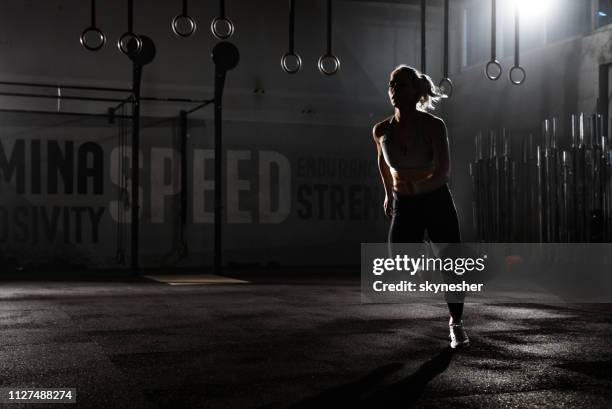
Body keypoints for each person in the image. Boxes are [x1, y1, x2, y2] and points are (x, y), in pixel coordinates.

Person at [372, 65, 469, 349]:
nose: (394, 90)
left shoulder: (434, 126)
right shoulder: (380, 130)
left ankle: (456, 323)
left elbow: (444, 171)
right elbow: (382, 162)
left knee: (453, 265)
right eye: (391, 84)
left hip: (435, 198)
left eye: (401, 85)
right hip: (405, 202)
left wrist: (422, 189)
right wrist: (389, 194)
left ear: (416, 91)